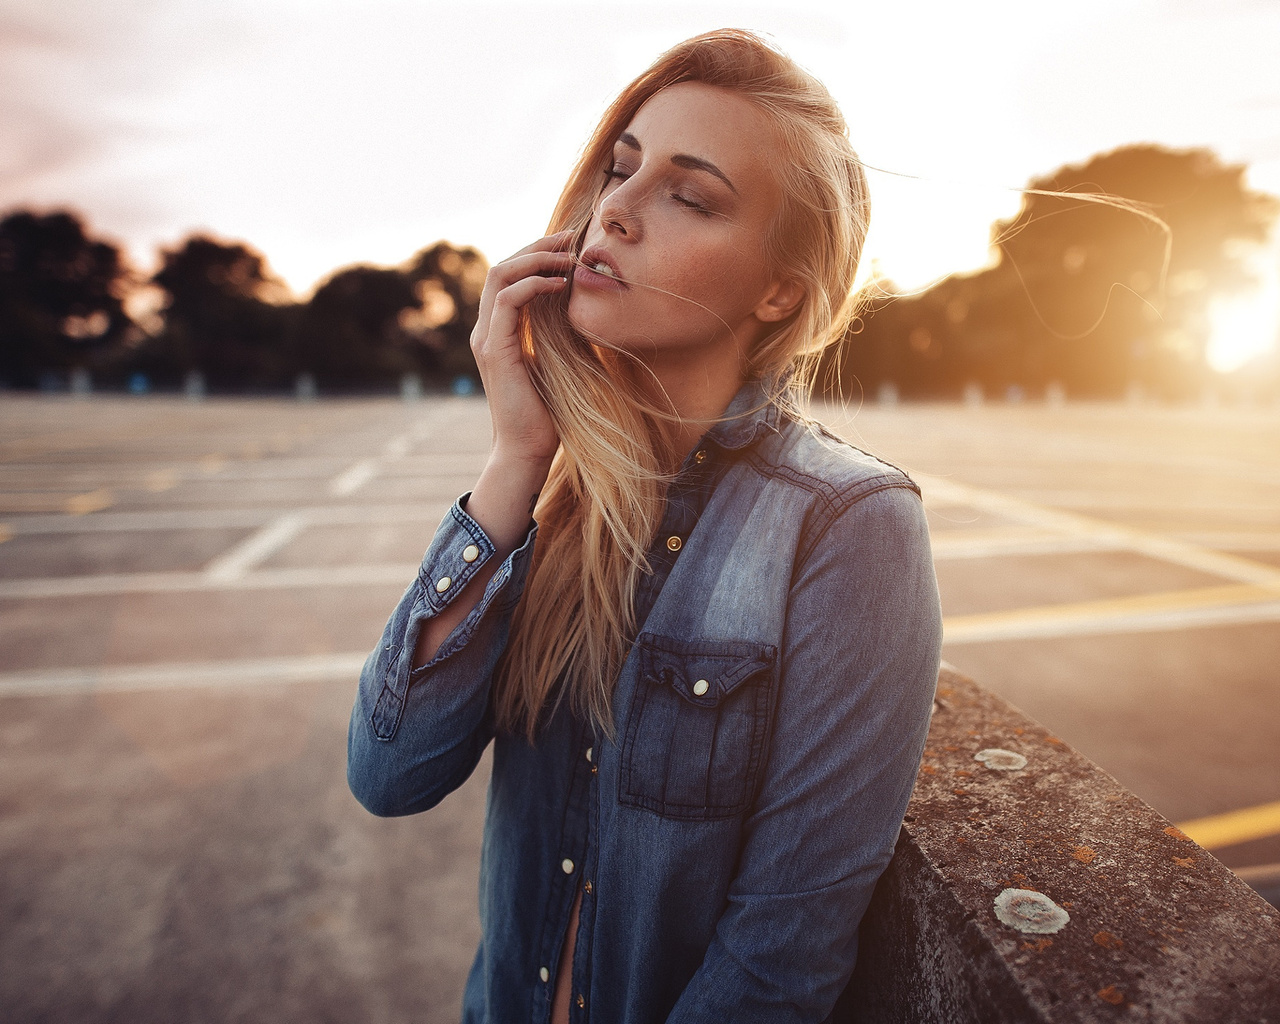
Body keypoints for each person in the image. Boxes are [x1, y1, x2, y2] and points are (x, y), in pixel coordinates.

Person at [347, 28, 942, 1024]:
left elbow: (778, 960)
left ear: (777, 289)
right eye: (619, 170)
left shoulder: (848, 525)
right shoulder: (560, 500)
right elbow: (388, 772)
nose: (613, 212)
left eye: (687, 194)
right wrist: (515, 460)